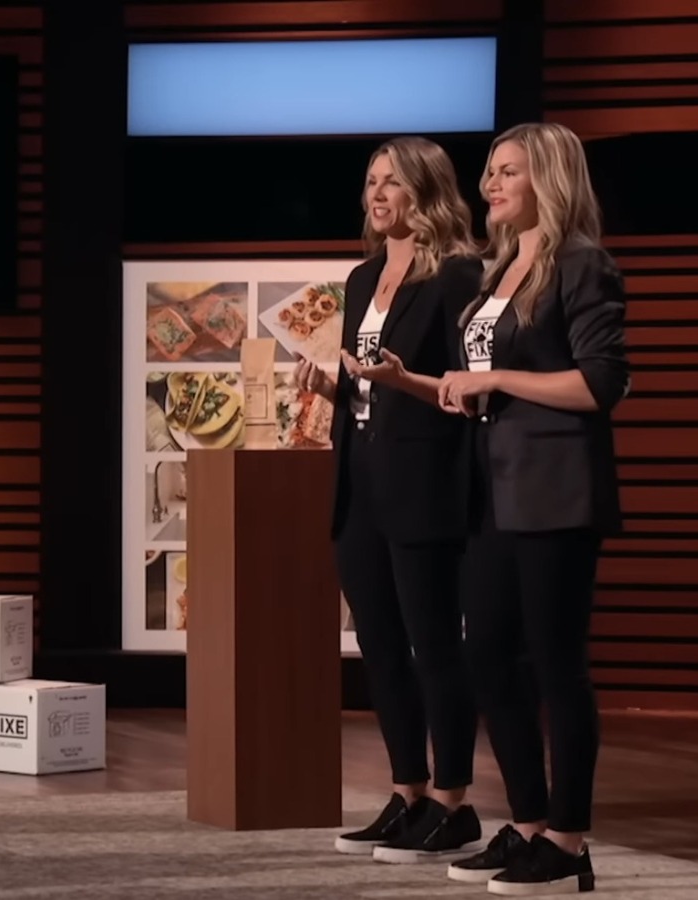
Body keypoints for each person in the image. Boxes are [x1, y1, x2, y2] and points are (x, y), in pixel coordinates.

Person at [437, 121, 628, 895]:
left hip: (556, 492)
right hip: (492, 489)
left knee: (556, 666)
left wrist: (495, 380)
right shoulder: (499, 269)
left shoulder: (583, 263)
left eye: (508, 171)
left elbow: (599, 383)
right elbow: (483, 378)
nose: (490, 184)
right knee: (486, 656)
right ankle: (527, 823)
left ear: (548, 179)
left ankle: (570, 840)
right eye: (490, 171)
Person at [296, 136, 485, 864]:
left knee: (434, 644)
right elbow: (368, 385)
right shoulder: (360, 277)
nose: (378, 195)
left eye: (393, 182)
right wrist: (331, 385)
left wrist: (400, 382)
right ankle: (408, 793)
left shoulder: (458, 274)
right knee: (378, 645)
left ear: (426, 192)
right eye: (372, 182)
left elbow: (464, 391)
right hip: (361, 478)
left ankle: (453, 802)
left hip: (426, 479)